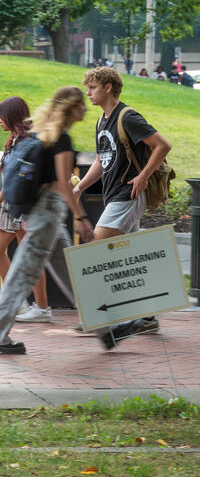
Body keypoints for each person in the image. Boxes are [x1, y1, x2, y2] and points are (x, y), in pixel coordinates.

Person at [0, 87, 94, 354]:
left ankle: (103, 324)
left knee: (69, 269)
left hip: (37, 211)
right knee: (21, 277)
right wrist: (81, 217)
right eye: (81, 105)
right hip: (47, 213)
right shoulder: (61, 140)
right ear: (71, 108)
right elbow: (64, 184)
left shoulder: (39, 132)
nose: (85, 110)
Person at [75, 66, 172, 348]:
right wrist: (81, 186)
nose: (88, 92)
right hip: (114, 195)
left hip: (127, 194)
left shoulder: (127, 117)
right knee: (130, 256)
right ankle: (148, 316)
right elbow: (100, 160)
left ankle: (107, 317)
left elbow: (162, 145)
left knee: (97, 246)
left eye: (92, 87)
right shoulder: (101, 122)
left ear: (108, 87)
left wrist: (142, 177)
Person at [0, 96, 51, 323]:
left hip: (21, 205)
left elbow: (19, 181)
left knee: (16, 254)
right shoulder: (16, 141)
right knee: (11, 253)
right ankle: (24, 303)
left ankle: (35, 306)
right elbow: (13, 175)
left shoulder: (26, 144)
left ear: (12, 117)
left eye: (2, 116)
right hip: (15, 205)